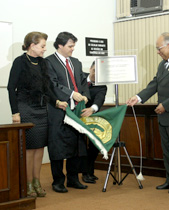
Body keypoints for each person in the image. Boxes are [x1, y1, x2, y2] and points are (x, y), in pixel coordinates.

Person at [127, 32, 169, 194]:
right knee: (168, 151)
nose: (158, 52)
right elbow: (155, 84)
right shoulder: (162, 64)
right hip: (164, 117)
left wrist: (166, 105)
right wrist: (138, 97)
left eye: (159, 48)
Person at [7, 32, 68, 197]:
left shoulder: (43, 63)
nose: (44, 49)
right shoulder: (20, 62)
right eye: (42, 46)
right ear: (32, 45)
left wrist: (56, 101)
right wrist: (15, 112)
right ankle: (27, 183)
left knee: (40, 148)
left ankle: (36, 181)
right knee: (28, 149)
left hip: (42, 110)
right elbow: (11, 88)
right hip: (25, 109)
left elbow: (47, 88)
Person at [46, 32, 90, 193]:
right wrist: (71, 94)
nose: (73, 49)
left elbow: (83, 81)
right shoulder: (49, 62)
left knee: (76, 146)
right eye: (70, 46)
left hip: (76, 111)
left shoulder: (76, 63)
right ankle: (58, 181)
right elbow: (51, 84)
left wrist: (84, 95)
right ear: (60, 45)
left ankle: (73, 179)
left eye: (73, 46)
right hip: (59, 111)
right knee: (57, 147)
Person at [80, 61, 107, 184]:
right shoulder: (80, 77)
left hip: (91, 118)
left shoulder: (102, 86)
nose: (96, 74)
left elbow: (99, 100)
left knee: (94, 146)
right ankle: (83, 172)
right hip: (76, 117)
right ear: (90, 68)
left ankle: (89, 172)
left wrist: (92, 109)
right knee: (80, 146)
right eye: (95, 70)